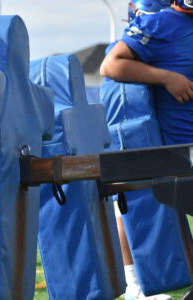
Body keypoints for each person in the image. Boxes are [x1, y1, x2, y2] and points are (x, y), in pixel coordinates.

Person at [101, 0, 193, 299]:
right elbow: (111, 64)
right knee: (128, 203)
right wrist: (167, 78)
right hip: (182, 151)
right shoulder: (162, 22)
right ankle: (135, 285)